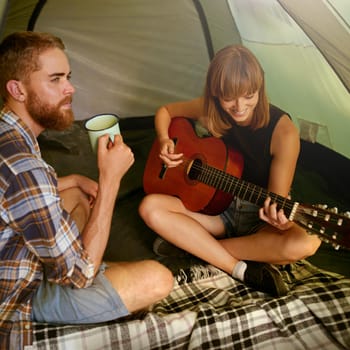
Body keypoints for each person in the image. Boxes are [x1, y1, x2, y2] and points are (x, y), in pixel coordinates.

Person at [0, 31, 174, 350]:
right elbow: (79, 277)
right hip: (14, 295)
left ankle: (91, 263)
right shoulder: (27, 169)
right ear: (17, 89)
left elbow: (16, 198)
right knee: (158, 278)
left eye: (68, 77)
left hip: (9, 256)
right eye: (55, 80)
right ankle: (88, 274)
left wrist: (76, 178)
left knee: (77, 196)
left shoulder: (8, 133)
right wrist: (110, 180)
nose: (70, 89)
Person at [139, 45, 321, 297]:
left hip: (257, 221)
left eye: (249, 95)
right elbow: (166, 112)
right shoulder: (210, 109)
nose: (239, 106)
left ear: (260, 88)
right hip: (218, 213)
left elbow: (275, 204)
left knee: (306, 242)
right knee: (150, 207)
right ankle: (236, 267)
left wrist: (280, 221)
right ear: (215, 92)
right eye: (229, 98)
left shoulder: (284, 133)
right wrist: (163, 140)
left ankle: (199, 247)